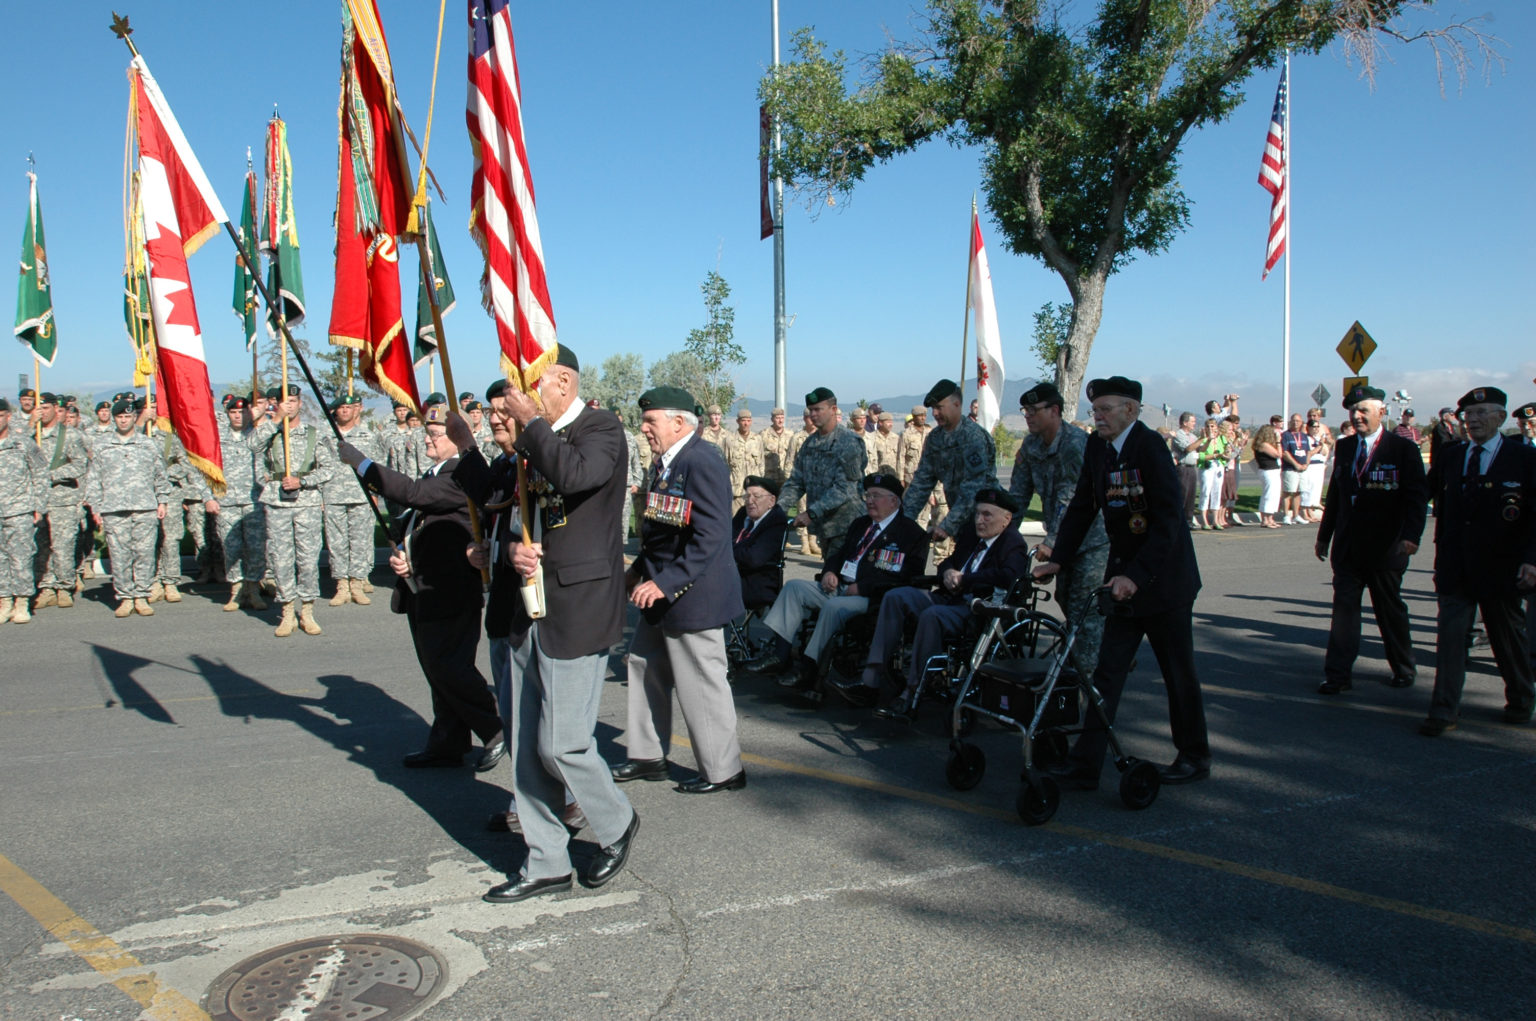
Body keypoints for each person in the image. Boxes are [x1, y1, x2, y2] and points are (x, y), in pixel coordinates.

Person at [448, 354, 637, 905]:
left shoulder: (598, 429)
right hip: (526, 608)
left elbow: (576, 476)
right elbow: (503, 501)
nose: (516, 399)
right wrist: (507, 546)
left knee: (566, 743)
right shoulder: (538, 438)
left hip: (577, 608)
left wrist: (531, 422)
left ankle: (617, 821)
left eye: (529, 385)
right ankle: (546, 861)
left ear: (563, 381)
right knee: (529, 745)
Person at [1034, 376, 1211, 787]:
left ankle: (1194, 756)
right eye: (1095, 411)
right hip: (1123, 582)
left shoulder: (1149, 448)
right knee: (1107, 675)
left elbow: (1169, 521)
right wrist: (1058, 559)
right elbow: (1082, 506)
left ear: (1131, 410)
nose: (1098, 417)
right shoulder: (1098, 446)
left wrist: (1136, 575)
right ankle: (1085, 765)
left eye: (1106, 410)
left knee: (1177, 673)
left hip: (1164, 581)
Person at [338, 404, 506, 775]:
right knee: (435, 668)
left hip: (451, 589)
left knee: (449, 666)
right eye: (428, 431)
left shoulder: (458, 477)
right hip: (422, 586)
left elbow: (414, 493)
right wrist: (404, 554)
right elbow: (416, 518)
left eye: (438, 433)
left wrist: (362, 463)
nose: (429, 437)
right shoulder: (434, 473)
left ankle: (495, 729)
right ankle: (448, 741)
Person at [613, 387, 747, 795]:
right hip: (660, 593)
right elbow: (662, 532)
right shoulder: (667, 462)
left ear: (678, 422)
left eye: (651, 421)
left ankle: (723, 771)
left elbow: (710, 537)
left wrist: (664, 582)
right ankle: (648, 755)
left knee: (701, 683)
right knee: (643, 664)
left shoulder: (701, 460)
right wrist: (637, 571)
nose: (645, 428)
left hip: (693, 596)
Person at [832, 487, 1029, 712]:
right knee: (896, 596)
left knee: (931, 615)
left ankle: (913, 689)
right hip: (948, 597)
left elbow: (1008, 576)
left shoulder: (1013, 543)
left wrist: (966, 579)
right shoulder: (972, 535)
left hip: (976, 607)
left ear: (1006, 519)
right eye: (977, 514)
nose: (979, 520)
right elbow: (950, 561)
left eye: (987, 515)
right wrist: (947, 572)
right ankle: (871, 677)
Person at [1417, 388, 1536, 735]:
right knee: (1451, 640)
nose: (1474, 420)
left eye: (1483, 412)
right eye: (1469, 414)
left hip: (1502, 568)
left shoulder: (1523, 458)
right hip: (1455, 565)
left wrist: (1531, 559)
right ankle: (1443, 710)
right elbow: (1423, 494)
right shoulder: (1452, 456)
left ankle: (1521, 696)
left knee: (1507, 638)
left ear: (1501, 417)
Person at [744, 472, 929, 692]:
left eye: (876, 496)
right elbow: (838, 555)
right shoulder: (861, 524)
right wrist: (829, 572)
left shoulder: (910, 533)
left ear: (894, 501)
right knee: (794, 587)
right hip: (839, 587)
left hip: (871, 597)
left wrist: (863, 587)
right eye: (867, 495)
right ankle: (780, 655)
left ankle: (809, 668)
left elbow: (908, 576)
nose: (869, 500)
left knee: (833, 607)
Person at [1315, 384, 1429, 695]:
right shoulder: (1346, 447)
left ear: (1382, 412)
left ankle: (1403, 668)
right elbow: (1337, 495)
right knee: (1344, 613)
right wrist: (1324, 536)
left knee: (1388, 611)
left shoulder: (1402, 449)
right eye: (1353, 410)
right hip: (1349, 547)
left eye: (1364, 410)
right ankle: (1337, 675)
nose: (1357, 416)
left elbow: (1416, 498)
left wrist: (1411, 536)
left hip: (1387, 547)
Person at [1009, 382, 1108, 680]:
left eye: (1033, 410)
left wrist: (1051, 542)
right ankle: (1105, 652)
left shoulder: (1076, 444)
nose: (1027, 416)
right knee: (1066, 601)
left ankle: (1088, 685)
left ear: (1054, 411)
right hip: (1062, 543)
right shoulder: (1030, 446)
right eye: (1025, 410)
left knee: (1084, 612)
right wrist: (1002, 534)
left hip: (1091, 542)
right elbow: (1018, 495)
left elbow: (1071, 497)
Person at [255, 384, 336, 637]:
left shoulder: (314, 433)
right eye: (283, 402)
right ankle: (287, 610)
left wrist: (303, 481)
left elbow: (329, 469)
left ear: (300, 404)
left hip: (307, 502)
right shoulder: (270, 433)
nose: (288, 405)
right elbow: (252, 446)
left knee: (308, 559)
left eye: (292, 401)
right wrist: (275, 420)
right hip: (278, 503)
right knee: (280, 558)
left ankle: (308, 610)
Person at [87, 399, 171, 618]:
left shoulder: (149, 444)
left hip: (144, 507)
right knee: (119, 554)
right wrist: (96, 507)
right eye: (119, 417)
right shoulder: (102, 445)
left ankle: (142, 595)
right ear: (114, 419)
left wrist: (162, 501)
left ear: (135, 418)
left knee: (144, 553)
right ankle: (125, 597)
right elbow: (94, 479)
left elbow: (160, 475)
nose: (124, 420)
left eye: (127, 417)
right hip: (114, 509)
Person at [902, 379, 997, 556]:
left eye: (939, 407)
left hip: (987, 522)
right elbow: (922, 482)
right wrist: (901, 522)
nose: (935, 413)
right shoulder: (935, 439)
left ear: (957, 404)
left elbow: (973, 489)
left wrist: (948, 525)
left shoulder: (973, 437)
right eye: (933, 409)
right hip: (962, 523)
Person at [776, 387, 868, 561]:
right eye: (811, 410)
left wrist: (811, 513)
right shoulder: (810, 444)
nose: (813, 414)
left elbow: (844, 489)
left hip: (847, 525)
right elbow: (796, 482)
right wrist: (778, 510)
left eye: (818, 409)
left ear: (833, 410)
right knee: (828, 577)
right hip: (824, 527)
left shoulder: (848, 442)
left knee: (843, 580)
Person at [30, 393, 90, 610]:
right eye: (39, 408)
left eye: (45, 407)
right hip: (37, 501)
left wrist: (51, 474)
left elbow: (80, 465)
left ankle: (64, 586)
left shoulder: (70, 436)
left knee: (63, 546)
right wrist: (29, 425)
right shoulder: (31, 435)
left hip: (62, 499)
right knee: (41, 547)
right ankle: (46, 586)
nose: (42, 412)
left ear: (56, 409)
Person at [321, 393, 381, 607]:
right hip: (333, 494)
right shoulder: (325, 434)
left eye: (349, 407)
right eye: (341, 407)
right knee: (336, 543)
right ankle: (341, 585)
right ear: (335, 410)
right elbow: (319, 465)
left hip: (361, 495)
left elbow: (376, 467)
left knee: (359, 541)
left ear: (356, 409)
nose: (345, 410)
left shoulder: (368, 435)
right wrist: (320, 494)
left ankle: (357, 584)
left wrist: (374, 494)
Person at [215, 397, 268, 612]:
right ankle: (236, 590)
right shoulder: (217, 440)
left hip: (254, 501)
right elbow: (204, 468)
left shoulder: (259, 438)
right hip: (226, 502)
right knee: (231, 548)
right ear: (227, 414)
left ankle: (253, 589)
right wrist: (208, 496)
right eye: (233, 413)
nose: (238, 416)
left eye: (242, 412)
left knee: (256, 548)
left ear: (250, 414)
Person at [0, 398, 47, 623]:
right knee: (1, 559)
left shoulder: (23, 443)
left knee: (21, 557)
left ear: (8, 417)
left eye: (0, 415)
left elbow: (40, 473)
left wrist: (39, 505)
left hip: (19, 509)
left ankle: (22, 601)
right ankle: (4, 600)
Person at [732, 475, 789, 611]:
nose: (750, 501)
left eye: (756, 496)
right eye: (747, 496)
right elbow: (724, 539)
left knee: (704, 587)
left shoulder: (776, 520)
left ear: (771, 500)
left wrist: (730, 549)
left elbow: (754, 558)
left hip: (756, 581)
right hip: (733, 573)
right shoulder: (742, 513)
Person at [721, 408, 764, 515]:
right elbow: (724, 465)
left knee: (755, 521)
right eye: (743, 420)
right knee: (736, 522)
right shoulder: (729, 440)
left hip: (754, 490)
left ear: (751, 421)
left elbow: (761, 464)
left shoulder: (757, 439)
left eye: (748, 421)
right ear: (738, 421)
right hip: (737, 491)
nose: (746, 423)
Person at [1169, 412, 1201, 527]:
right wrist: (1202, 439)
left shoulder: (1193, 436)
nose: (1194, 424)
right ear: (1185, 422)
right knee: (1183, 494)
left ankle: (1188, 520)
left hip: (1192, 468)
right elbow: (1188, 448)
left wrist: (1207, 439)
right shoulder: (1179, 434)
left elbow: (1201, 449)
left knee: (1191, 495)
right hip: (1182, 469)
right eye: (1192, 421)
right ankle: (1179, 520)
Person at [1194, 417, 1227, 530]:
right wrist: (1208, 440)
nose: (1210, 428)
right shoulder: (1202, 439)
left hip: (1218, 466)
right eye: (1208, 426)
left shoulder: (1221, 439)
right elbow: (1201, 453)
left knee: (1216, 492)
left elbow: (1225, 452)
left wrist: (1225, 455)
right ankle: (1204, 520)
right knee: (1205, 492)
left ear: (1216, 427)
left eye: (1212, 426)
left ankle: (1216, 520)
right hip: (1207, 467)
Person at [1279, 412, 1311, 525]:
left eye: (1298, 421)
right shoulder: (1286, 435)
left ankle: (1296, 515)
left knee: (1298, 492)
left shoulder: (1304, 436)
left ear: (1302, 422)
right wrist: (1295, 464)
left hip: (1303, 469)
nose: (1295, 422)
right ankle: (1286, 515)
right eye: (1293, 420)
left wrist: (1306, 464)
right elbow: (1285, 452)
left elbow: (1308, 452)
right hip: (1290, 469)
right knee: (1288, 491)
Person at [1251, 418, 1283, 528]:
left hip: (1273, 470)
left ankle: (1270, 518)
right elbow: (1278, 454)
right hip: (1268, 471)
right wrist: (1278, 441)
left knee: (1274, 495)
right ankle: (1265, 519)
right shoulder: (1263, 445)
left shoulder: (1265, 444)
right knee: (1269, 495)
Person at [759, 407, 793, 489]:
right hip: (769, 478)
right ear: (772, 419)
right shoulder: (763, 435)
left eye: (782, 418)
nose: (780, 421)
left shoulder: (790, 434)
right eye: (777, 418)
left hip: (785, 478)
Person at [871, 411, 900, 476]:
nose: (891, 424)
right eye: (888, 422)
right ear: (881, 423)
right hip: (878, 474)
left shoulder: (896, 438)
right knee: (878, 485)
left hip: (893, 474)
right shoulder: (872, 437)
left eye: (891, 422)